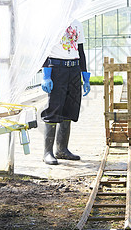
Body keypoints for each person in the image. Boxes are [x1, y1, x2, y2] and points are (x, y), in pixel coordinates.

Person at [40, 19, 91, 165]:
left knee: (70, 107)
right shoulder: (54, 20)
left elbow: (80, 50)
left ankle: (62, 149)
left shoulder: (77, 23)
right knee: (55, 108)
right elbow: (44, 49)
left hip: (74, 68)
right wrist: (46, 75)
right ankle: (47, 152)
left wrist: (84, 75)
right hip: (57, 68)